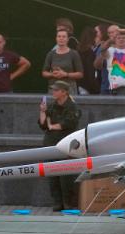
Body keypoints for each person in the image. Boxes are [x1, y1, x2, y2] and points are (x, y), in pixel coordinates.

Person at [39, 81, 80, 212]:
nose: (53, 92)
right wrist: (42, 112)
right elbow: (43, 125)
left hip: (66, 145)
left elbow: (70, 123)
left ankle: (69, 204)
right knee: (52, 175)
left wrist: (53, 127)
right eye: (53, 90)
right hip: (51, 144)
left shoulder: (72, 107)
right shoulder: (51, 106)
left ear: (64, 92)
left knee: (66, 176)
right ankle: (58, 203)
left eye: (56, 90)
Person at [43, 29, 84, 95]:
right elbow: (44, 72)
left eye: (63, 36)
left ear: (68, 39)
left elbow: (80, 74)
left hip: (69, 89)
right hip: (54, 88)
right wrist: (52, 74)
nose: (61, 38)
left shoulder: (74, 54)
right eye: (59, 36)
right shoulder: (50, 54)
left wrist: (66, 74)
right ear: (56, 38)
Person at [77, 26, 101, 95]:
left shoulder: (78, 50)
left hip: (79, 85)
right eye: (97, 37)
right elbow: (90, 73)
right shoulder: (89, 53)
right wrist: (97, 89)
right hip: (87, 88)